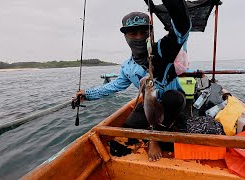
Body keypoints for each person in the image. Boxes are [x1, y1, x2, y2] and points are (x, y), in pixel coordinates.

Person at [76, 0, 191, 162]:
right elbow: (115, 85)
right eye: (132, 33)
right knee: (128, 130)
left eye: (144, 32)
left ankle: (155, 138)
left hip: (172, 101)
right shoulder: (127, 67)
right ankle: (159, 128)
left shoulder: (164, 49)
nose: (138, 37)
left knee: (173, 97)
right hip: (150, 104)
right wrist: (88, 94)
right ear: (125, 37)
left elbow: (183, 26)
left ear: (150, 33)